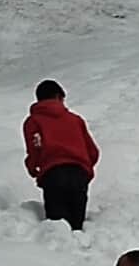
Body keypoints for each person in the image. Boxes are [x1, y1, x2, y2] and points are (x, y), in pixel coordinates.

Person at [23, 80, 100, 231]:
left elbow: (35, 148)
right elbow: (93, 152)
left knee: (58, 228)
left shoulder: (33, 122)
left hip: (53, 176)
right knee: (76, 226)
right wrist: (86, 169)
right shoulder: (75, 120)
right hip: (79, 174)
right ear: (58, 97)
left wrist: (33, 168)